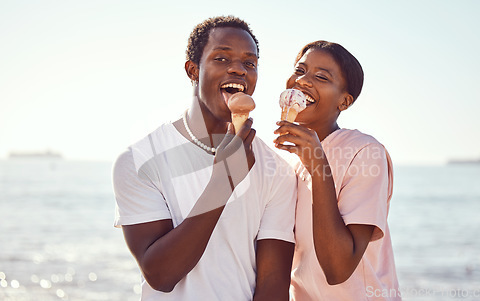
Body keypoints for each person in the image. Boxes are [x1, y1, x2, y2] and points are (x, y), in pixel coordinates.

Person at [112, 16, 296, 301]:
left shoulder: (278, 170)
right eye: (221, 58)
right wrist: (223, 183)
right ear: (193, 70)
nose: (238, 69)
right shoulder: (139, 160)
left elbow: (273, 284)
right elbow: (161, 276)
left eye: (250, 63)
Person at [274, 41, 401, 300]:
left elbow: (338, 269)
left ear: (344, 102)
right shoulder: (284, 163)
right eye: (300, 71)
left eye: (321, 77)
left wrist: (318, 165)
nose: (304, 81)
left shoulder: (364, 152)